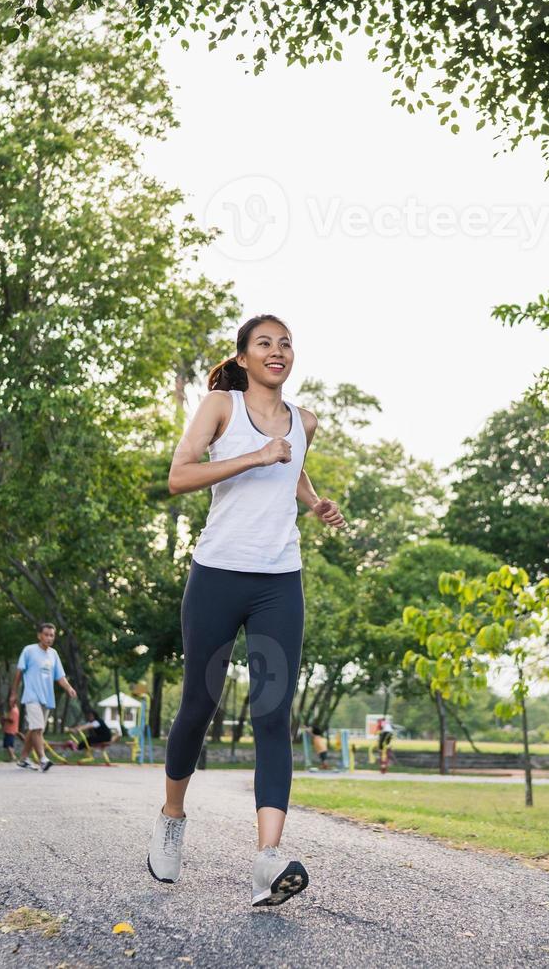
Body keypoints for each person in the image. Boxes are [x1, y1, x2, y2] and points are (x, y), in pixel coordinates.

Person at [149, 315, 346, 907]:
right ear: (243, 356)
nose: (278, 351)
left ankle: (267, 862)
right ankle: (172, 815)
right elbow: (180, 476)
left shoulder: (304, 421)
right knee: (198, 707)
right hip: (217, 574)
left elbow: (295, 462)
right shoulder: (220, 406)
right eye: (266, 343)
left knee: (271, 711)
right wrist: (254, 458)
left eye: (286, 343)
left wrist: (314, 502)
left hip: (279, 581)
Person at [10, 622, 77, 772]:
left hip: (47, 698)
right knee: (38, 728)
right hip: (31, 695)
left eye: (51, 635)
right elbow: (19, 673)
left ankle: (23, 759)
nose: (49, 638)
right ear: (39, 635)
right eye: (46, 635)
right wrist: (13, 693)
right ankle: (43, 759)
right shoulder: (29, 650)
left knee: (34, 730)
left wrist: (69, 688)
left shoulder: (53, 654)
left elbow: (60, 677)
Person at [1, 698, 21, 763]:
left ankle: (13, 757)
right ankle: (12, 757)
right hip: (11, 730)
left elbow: (12, 720)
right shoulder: (15, 709)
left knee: (8, 744)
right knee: (10, 745)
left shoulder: (14, 710)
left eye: (10, 702)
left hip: (10, 730)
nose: (9, 703)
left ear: (14, 702)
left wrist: (5, 718)